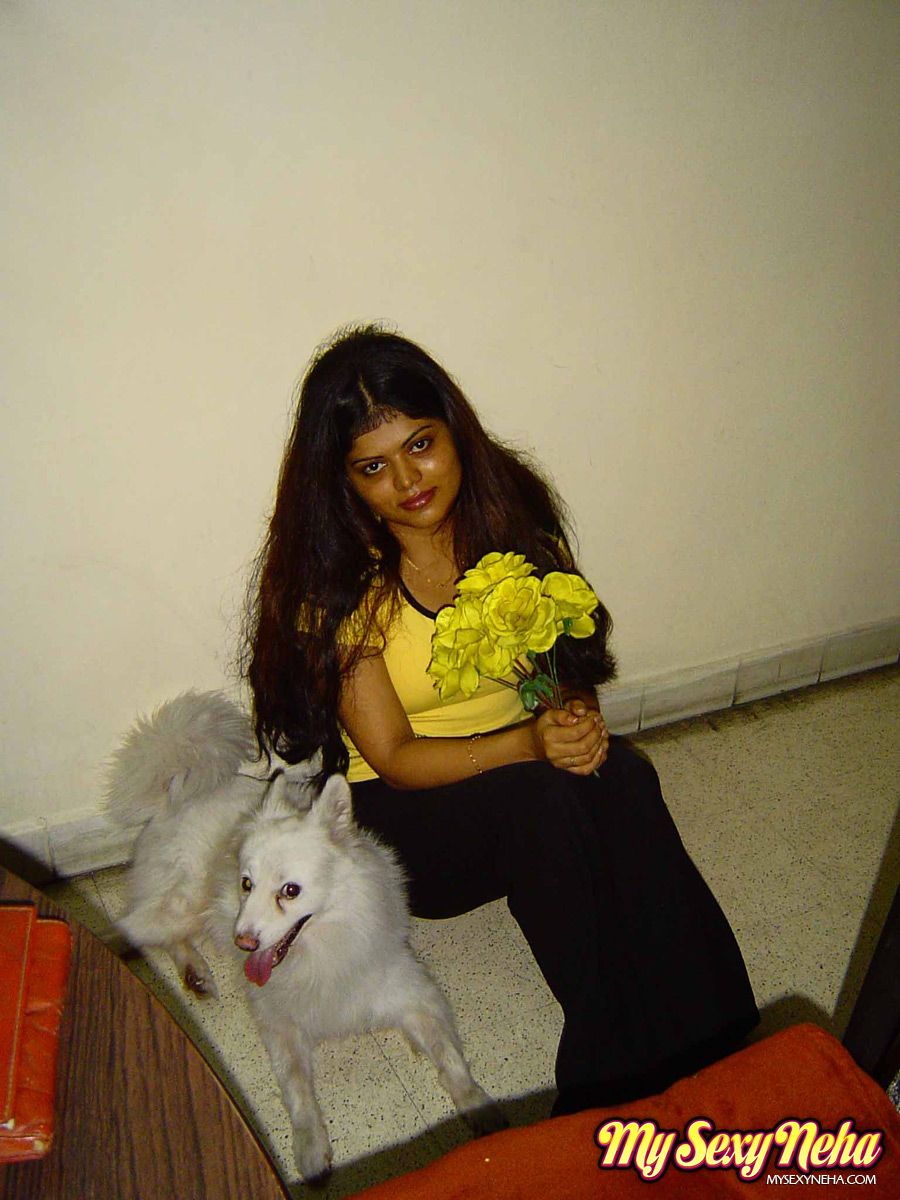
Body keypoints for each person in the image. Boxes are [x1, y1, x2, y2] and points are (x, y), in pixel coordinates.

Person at [243, 324, 758, 1113]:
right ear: (343, 482)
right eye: (373, 467)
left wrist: (572, 718)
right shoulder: (337, 584)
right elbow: (395, 755)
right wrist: (530, 745)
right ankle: (607, 1086)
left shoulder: (511, 519)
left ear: (454, 430)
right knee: (542, 803)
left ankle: (725, 1041)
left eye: (421, 444)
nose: (407, 479)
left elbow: (564, 662)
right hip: (405, 821)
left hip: (526, 768)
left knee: (624, 777)